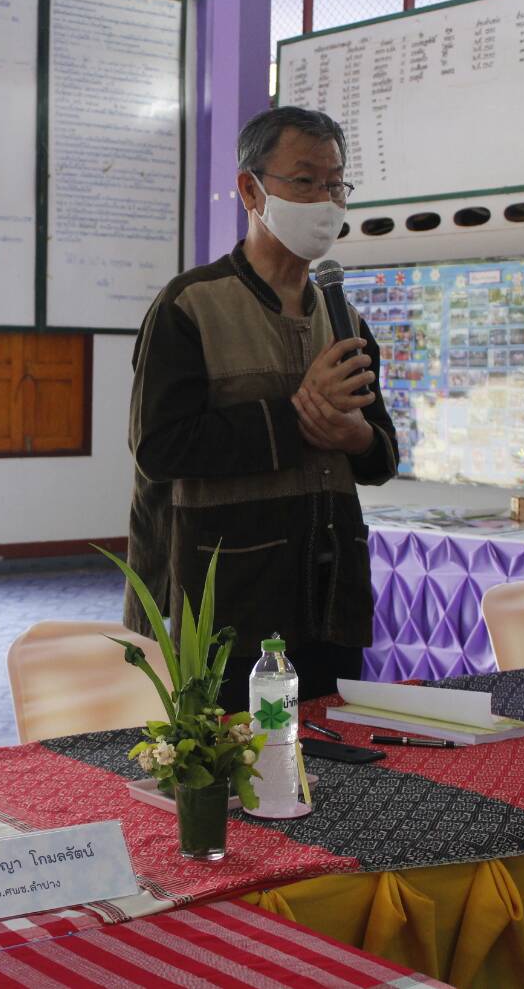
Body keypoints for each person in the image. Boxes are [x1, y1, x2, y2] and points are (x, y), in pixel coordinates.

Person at [124, 106, 399, 714]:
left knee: (333, 770)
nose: (325, 200)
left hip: (330, 596)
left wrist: (355, 437)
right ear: (251, 189)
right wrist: (294, 420)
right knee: (232, 780)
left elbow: (381, 452)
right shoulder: (190, 305)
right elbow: (159, 446)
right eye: (304, 181)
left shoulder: (343, 315)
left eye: (336, 184)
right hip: (230, 604)